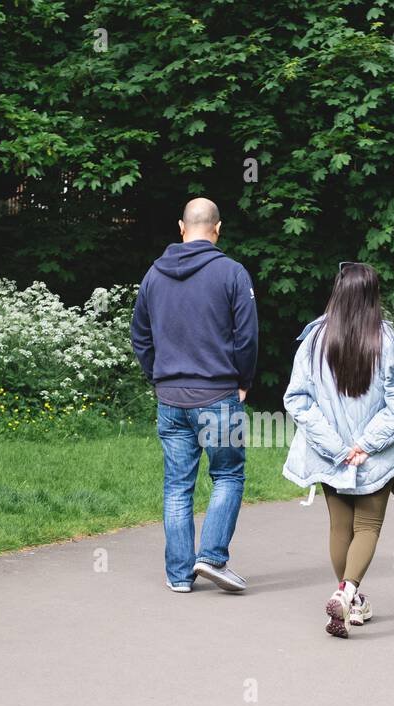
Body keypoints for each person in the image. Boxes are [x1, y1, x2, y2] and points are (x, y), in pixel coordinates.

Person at [282, 262, 394, 637]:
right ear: (373, 296)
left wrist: (338, 447)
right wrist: (364, 445)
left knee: (339, 526)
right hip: (375, 454)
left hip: (331, 454)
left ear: (338, 292)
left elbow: (297, 400)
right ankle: (347, 594)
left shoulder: (313, 340)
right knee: (369, 525)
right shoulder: (387, 341)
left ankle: (350, 600)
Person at [131, 198, 259, 593]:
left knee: (176, 486)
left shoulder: (154, 274)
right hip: (219, 394)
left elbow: (140, 335)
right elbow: (247, 336)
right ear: (217, 229)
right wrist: (244, 380)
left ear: (182, 228)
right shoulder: (232, 274)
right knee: (228, 474)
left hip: (170, 399)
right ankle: (212, 557)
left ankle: (179, 575)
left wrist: (158, 376)